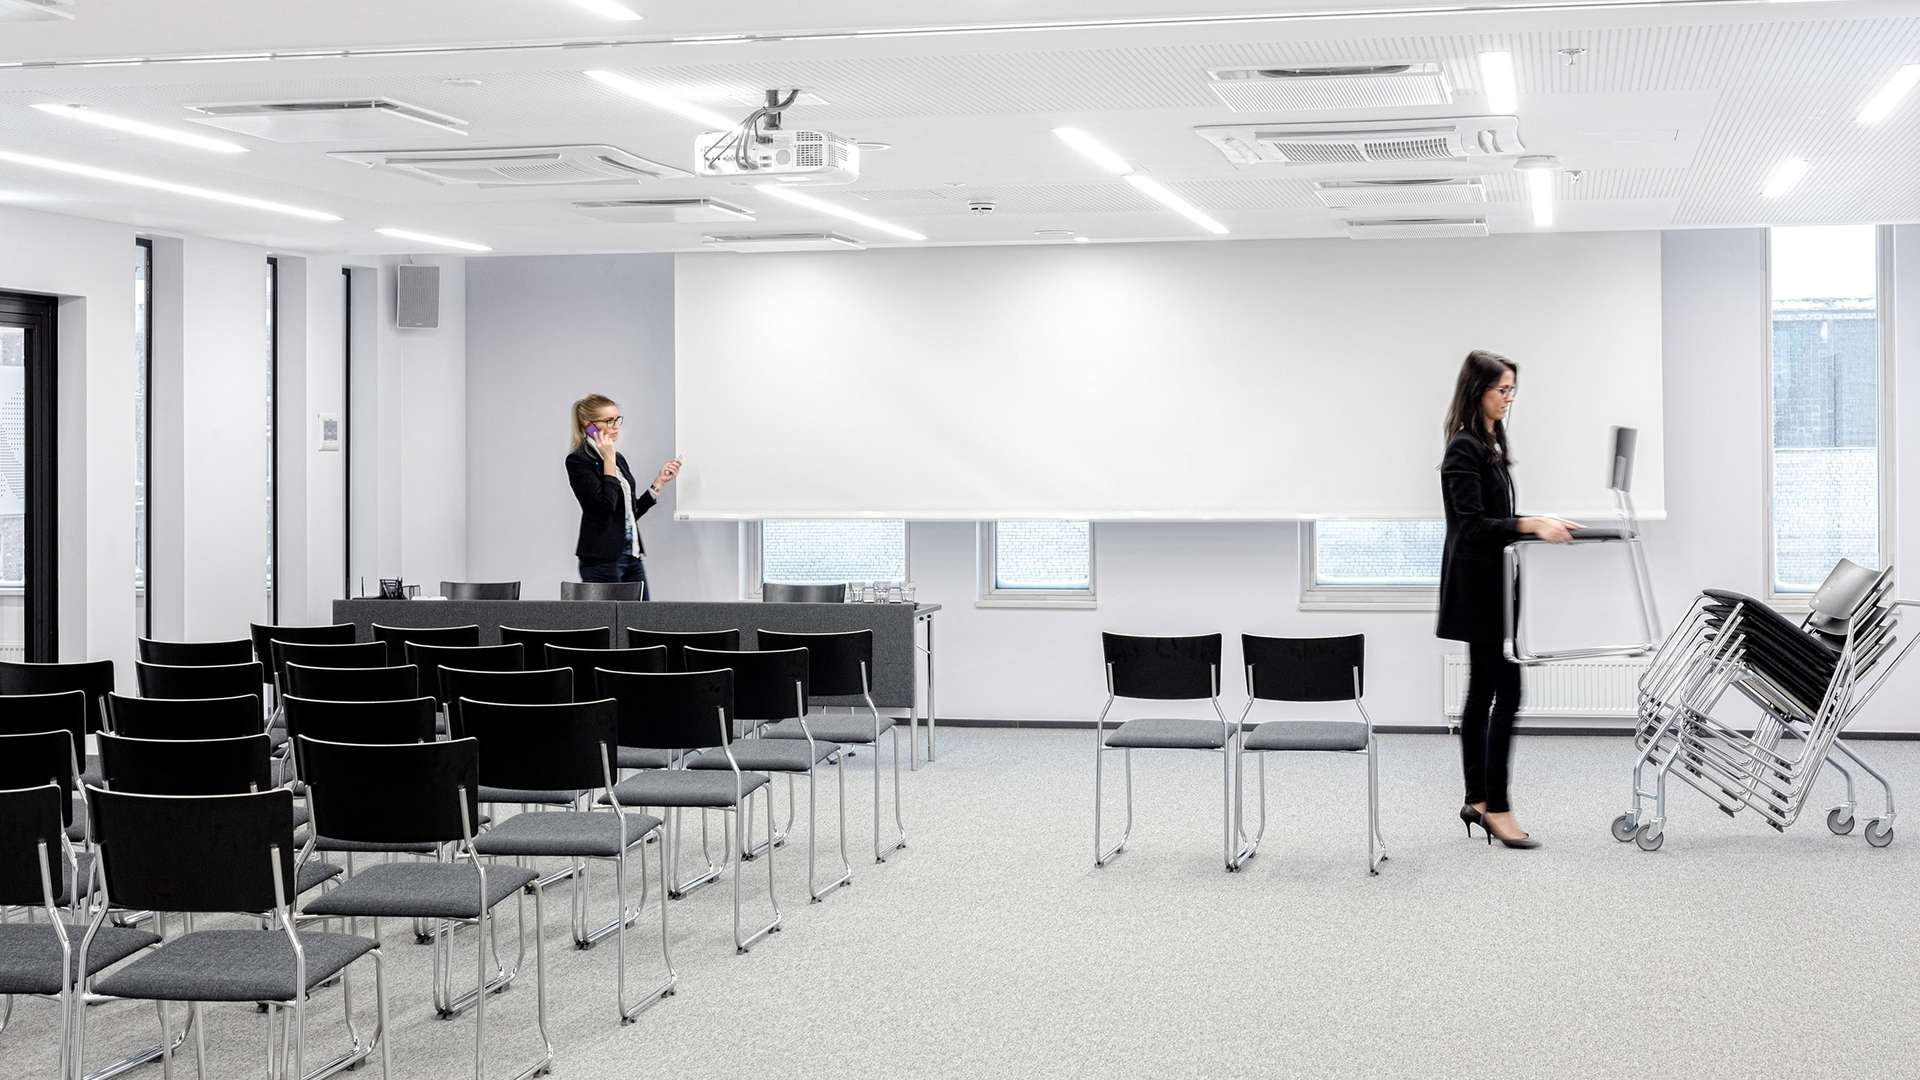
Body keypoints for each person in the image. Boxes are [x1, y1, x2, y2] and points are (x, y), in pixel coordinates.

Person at [1436, 350, 1577, 850]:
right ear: (1478, 391)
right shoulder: (1463, 449)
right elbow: (1472, 528)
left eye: (1513, 390)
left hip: (1492, 586)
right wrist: (1529, 523)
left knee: (1481, 693)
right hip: (1478, 591)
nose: (1509, 399)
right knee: (1507, 693)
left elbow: (1493, 516)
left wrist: (1538, 520)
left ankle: (1476, 799)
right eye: (1502, 390)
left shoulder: (1491, 443)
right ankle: (1497, 807)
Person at [565, 394, 680, 594]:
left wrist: (658, 482)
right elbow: (603, 508)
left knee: (642, 620)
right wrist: (608, 460)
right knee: (609, 623)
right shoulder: (579, 461)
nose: (616, 426)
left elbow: (628, 513)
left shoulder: (618, 459)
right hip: (602, 560)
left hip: (631, 555)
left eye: (617, 419)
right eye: (609, 421)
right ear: (588, 426)